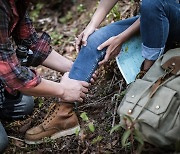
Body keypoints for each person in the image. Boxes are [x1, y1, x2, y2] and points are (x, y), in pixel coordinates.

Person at [24, 0, 180, 144]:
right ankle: (64, 114)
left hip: (171, 14)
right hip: (150, 17)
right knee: (94, 42)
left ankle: (146, 79)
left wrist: (121, 37)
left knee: (152, 3)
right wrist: (91, 25)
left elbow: (155, 4)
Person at [0, 0, 99, 152]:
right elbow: (13, 75)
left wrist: (75, 69)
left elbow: (32, 43)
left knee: (24, 105)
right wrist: (64, 91)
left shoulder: (15, 3)